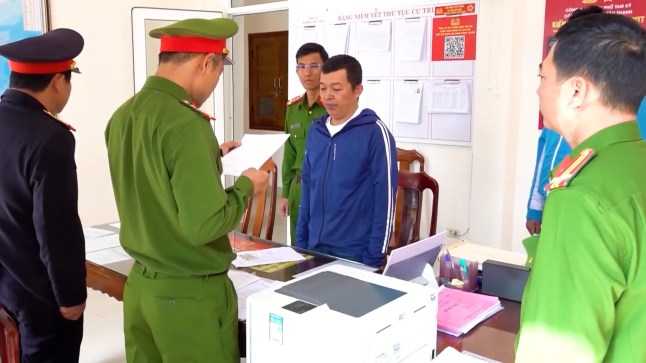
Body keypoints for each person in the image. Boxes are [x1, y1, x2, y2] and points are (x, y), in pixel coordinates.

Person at [105, 18, 268, 363]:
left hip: (143, 288)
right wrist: (246, 187)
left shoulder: (124, 115)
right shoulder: (187, 124)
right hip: (189, 297)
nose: (213, 85)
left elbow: (153, 176)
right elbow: (203, 226)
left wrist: (213, 157)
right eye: (218, 73)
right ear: (206, 62)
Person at [516, 13, 646, 362]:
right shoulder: (636, 160)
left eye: (543, 76)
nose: (538, 88)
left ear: (575, 90)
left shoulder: (582, 195)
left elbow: (557, 351)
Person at [0, 29, 86, 362]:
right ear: (57, 82)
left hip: (7, 283)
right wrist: (70, 296)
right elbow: (56, 228)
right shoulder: (51, 138)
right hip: (40, 296)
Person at [295, 54, 397, 268]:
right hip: (313, 246)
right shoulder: (317, 130)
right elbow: (308, 190)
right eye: (323, 88)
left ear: (357, 90)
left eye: (336, 89)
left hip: (354, 253)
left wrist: (374, 257)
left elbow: (385, 200)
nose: (328, 96)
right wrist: (301, 242)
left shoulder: (375, 133)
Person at [525, 5, 607, 236]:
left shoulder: (618, 109)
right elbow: (544, 161)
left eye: (544, 78)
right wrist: (535, 209)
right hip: (554, 207)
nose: (540, 90)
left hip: (588, 217)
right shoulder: (558, 112)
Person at [280, 43, 329, 245]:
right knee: (297, 247)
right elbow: (289, 152)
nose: (307, 72)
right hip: (298, 188)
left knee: (322, 246)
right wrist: (285, 193)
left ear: (325, 68)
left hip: (324, 187)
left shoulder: (333, 108)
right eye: (301, 66)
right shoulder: (293, 109)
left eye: (314, 66)